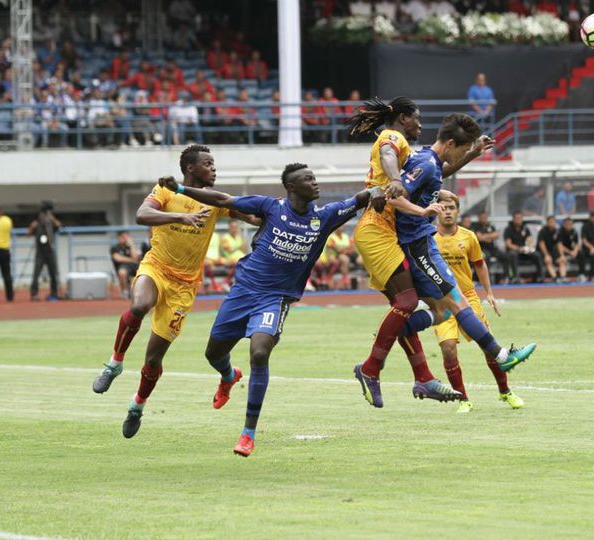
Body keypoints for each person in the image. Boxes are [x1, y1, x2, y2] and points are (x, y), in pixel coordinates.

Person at [157, 164, 382, 457]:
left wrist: (379, 189)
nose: (315, 184)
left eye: (314, 178)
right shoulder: (270, 207)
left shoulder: (324, 217)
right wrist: (181, 189)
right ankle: (228, 375)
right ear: (291, 187)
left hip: (275, 298)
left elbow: (359, 199)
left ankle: (248, 433)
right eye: (308, 180)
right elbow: (224, 201)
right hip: (243, 291)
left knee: (260, 353)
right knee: (213, 354)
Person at [91, 145, 258, 439]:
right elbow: (142, 214)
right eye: (208, 163)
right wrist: (179, 218)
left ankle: (136, 406)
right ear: (190, 169)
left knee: (153, 359)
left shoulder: (215, 201)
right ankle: (114, 363)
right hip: (156, 266)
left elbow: (253, 218)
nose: (214, 169)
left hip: (184, 287)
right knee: (139, 306)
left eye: (214, 163)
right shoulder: (166, 191)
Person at [382, 114, 536, 409]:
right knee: (455, 302)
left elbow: (442, 170)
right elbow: (395, 197)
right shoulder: (424, 163)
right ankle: (503, 357)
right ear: (450, 143)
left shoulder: (432, 162)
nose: (460, 155)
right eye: (461, 149)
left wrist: (473, 154)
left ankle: (397, 328)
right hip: (417, 243)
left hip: (423, 242)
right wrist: (423, 211)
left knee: (445, 309)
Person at [347, 97, 493, 407]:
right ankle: (371, 369)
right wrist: (398, 181)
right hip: (378, 230)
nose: (421, 125)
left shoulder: (412, 152)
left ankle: (423, 377)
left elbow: (436, 171)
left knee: (404, 309)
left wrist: (470, 155)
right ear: (401, 119)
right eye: (416, 118)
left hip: (385, 232)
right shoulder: (393, 137)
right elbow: (388, 154)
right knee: (408, 301)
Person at [432, 191, 523, 413]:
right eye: (443, 208)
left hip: (467, 297)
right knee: (448, 348)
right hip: (440, 301)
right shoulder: (428, 237)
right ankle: (463, 399)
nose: (447, 212)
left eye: (451, 208)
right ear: (436, 211)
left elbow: (479, 264)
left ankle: (505, 392)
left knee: (489, 347)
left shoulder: (468, 236)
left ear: (458, 211)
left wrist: (489, 293)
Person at [27, 202, 61, 301]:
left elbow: (60, 226)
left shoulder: (51, 224)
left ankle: (54, 293)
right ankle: (34, 294)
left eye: (45, 214)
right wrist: (31, 227)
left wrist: (52, 219)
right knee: (36, 273)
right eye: (42, 215)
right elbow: (28, 234)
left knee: (53, 273)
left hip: (50, 251)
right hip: (40, 252)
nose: (43, 216)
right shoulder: (36, 224)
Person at [503, 211, 544, 283]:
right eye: (517, 218)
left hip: (525, 252)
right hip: (514, 251)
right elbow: (508, 244)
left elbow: (530, 240)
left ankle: (540, 276)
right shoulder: (508, 229)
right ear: (513, 219)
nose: (519, 220)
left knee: (537, 254)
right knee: (513, 254)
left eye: (520, 218)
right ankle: (515, 277)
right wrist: (519, 249)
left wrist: (529, 247)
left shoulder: (525, 228)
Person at [470, 210, 510, 281]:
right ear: (479, 218)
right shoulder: (476, 226)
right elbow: (479, 237)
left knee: (505, 256)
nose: (484, 218)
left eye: (485, 217)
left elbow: (497, 235)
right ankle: (485, 279)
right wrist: (490, 237)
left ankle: (506, 277)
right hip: (482, 249)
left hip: (492, 249)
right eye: (482, 217)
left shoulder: (491, 226)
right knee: (486, 257)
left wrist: (485, 236)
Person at [110, 231, 141, 298]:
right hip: (122, 266)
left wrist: (131, 245)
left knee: (144, 271)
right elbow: (118, 258)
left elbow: (135, 257)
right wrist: (131, 260)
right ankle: (125, 291)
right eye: (123, 237)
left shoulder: (129, 247)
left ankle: (140, 291)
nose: (125, 238)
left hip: (133, 266)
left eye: (126, 237)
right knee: (122, 272)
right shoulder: (114, 248)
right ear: (119, 237)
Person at [537, 215, 566, 282]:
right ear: (547, 222)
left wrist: (562, 255)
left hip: (553, 251)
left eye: (553, 222)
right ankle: (554, 278)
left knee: (562, 260)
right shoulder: (543, 231)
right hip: (544, 251)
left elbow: (559, 244)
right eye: (550, 222)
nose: (552, 223)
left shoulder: (557, 231)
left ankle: (562, 277)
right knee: (548, 261)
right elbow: (541, 244)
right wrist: (546, 255)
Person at [325, 224, 353, 289]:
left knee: (345, 259)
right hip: (333, 255)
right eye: (339, 227)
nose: (340, 228)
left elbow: (352, 247)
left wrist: (346, 251)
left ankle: (345, 278)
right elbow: (334, 247)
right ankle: (331, 277)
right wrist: (345, 250)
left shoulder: (346, 236)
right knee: (343, 259)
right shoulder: (331, 237)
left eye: (341, 226)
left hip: (345, 255)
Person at [559, 217, 586, 281]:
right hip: (563, 250)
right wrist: (569, 252)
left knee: (581, 254)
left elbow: (576, 243)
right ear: (564, 224)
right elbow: (559, 245)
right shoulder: (560, 232)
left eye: (570, 224)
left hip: (572, 250)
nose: (569, 225)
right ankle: (563, 277)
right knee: (561, 257)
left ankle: (581, 274)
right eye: (567, 224)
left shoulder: (574, 231)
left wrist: (575, 251)